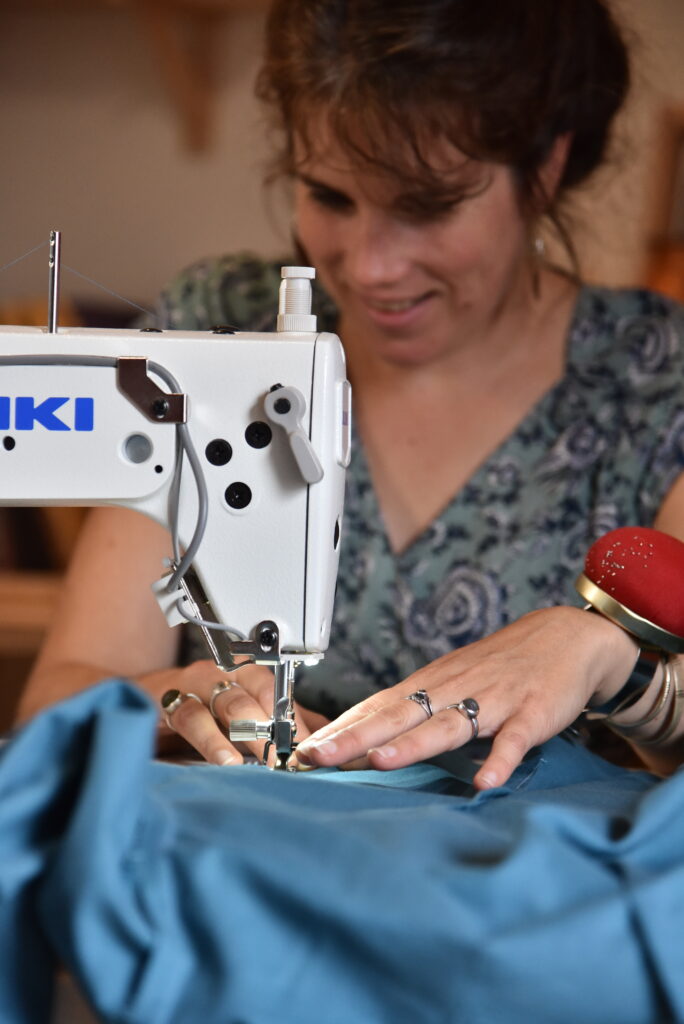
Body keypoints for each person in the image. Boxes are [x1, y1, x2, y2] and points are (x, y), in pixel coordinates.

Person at [17, 0, 684, 788]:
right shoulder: (216, 332)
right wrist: (169, 700)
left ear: (545, 167)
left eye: (426, 206)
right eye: (331, 197)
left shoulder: (657, 382)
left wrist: (613, 666)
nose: (369, 267)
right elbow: (57, 702)